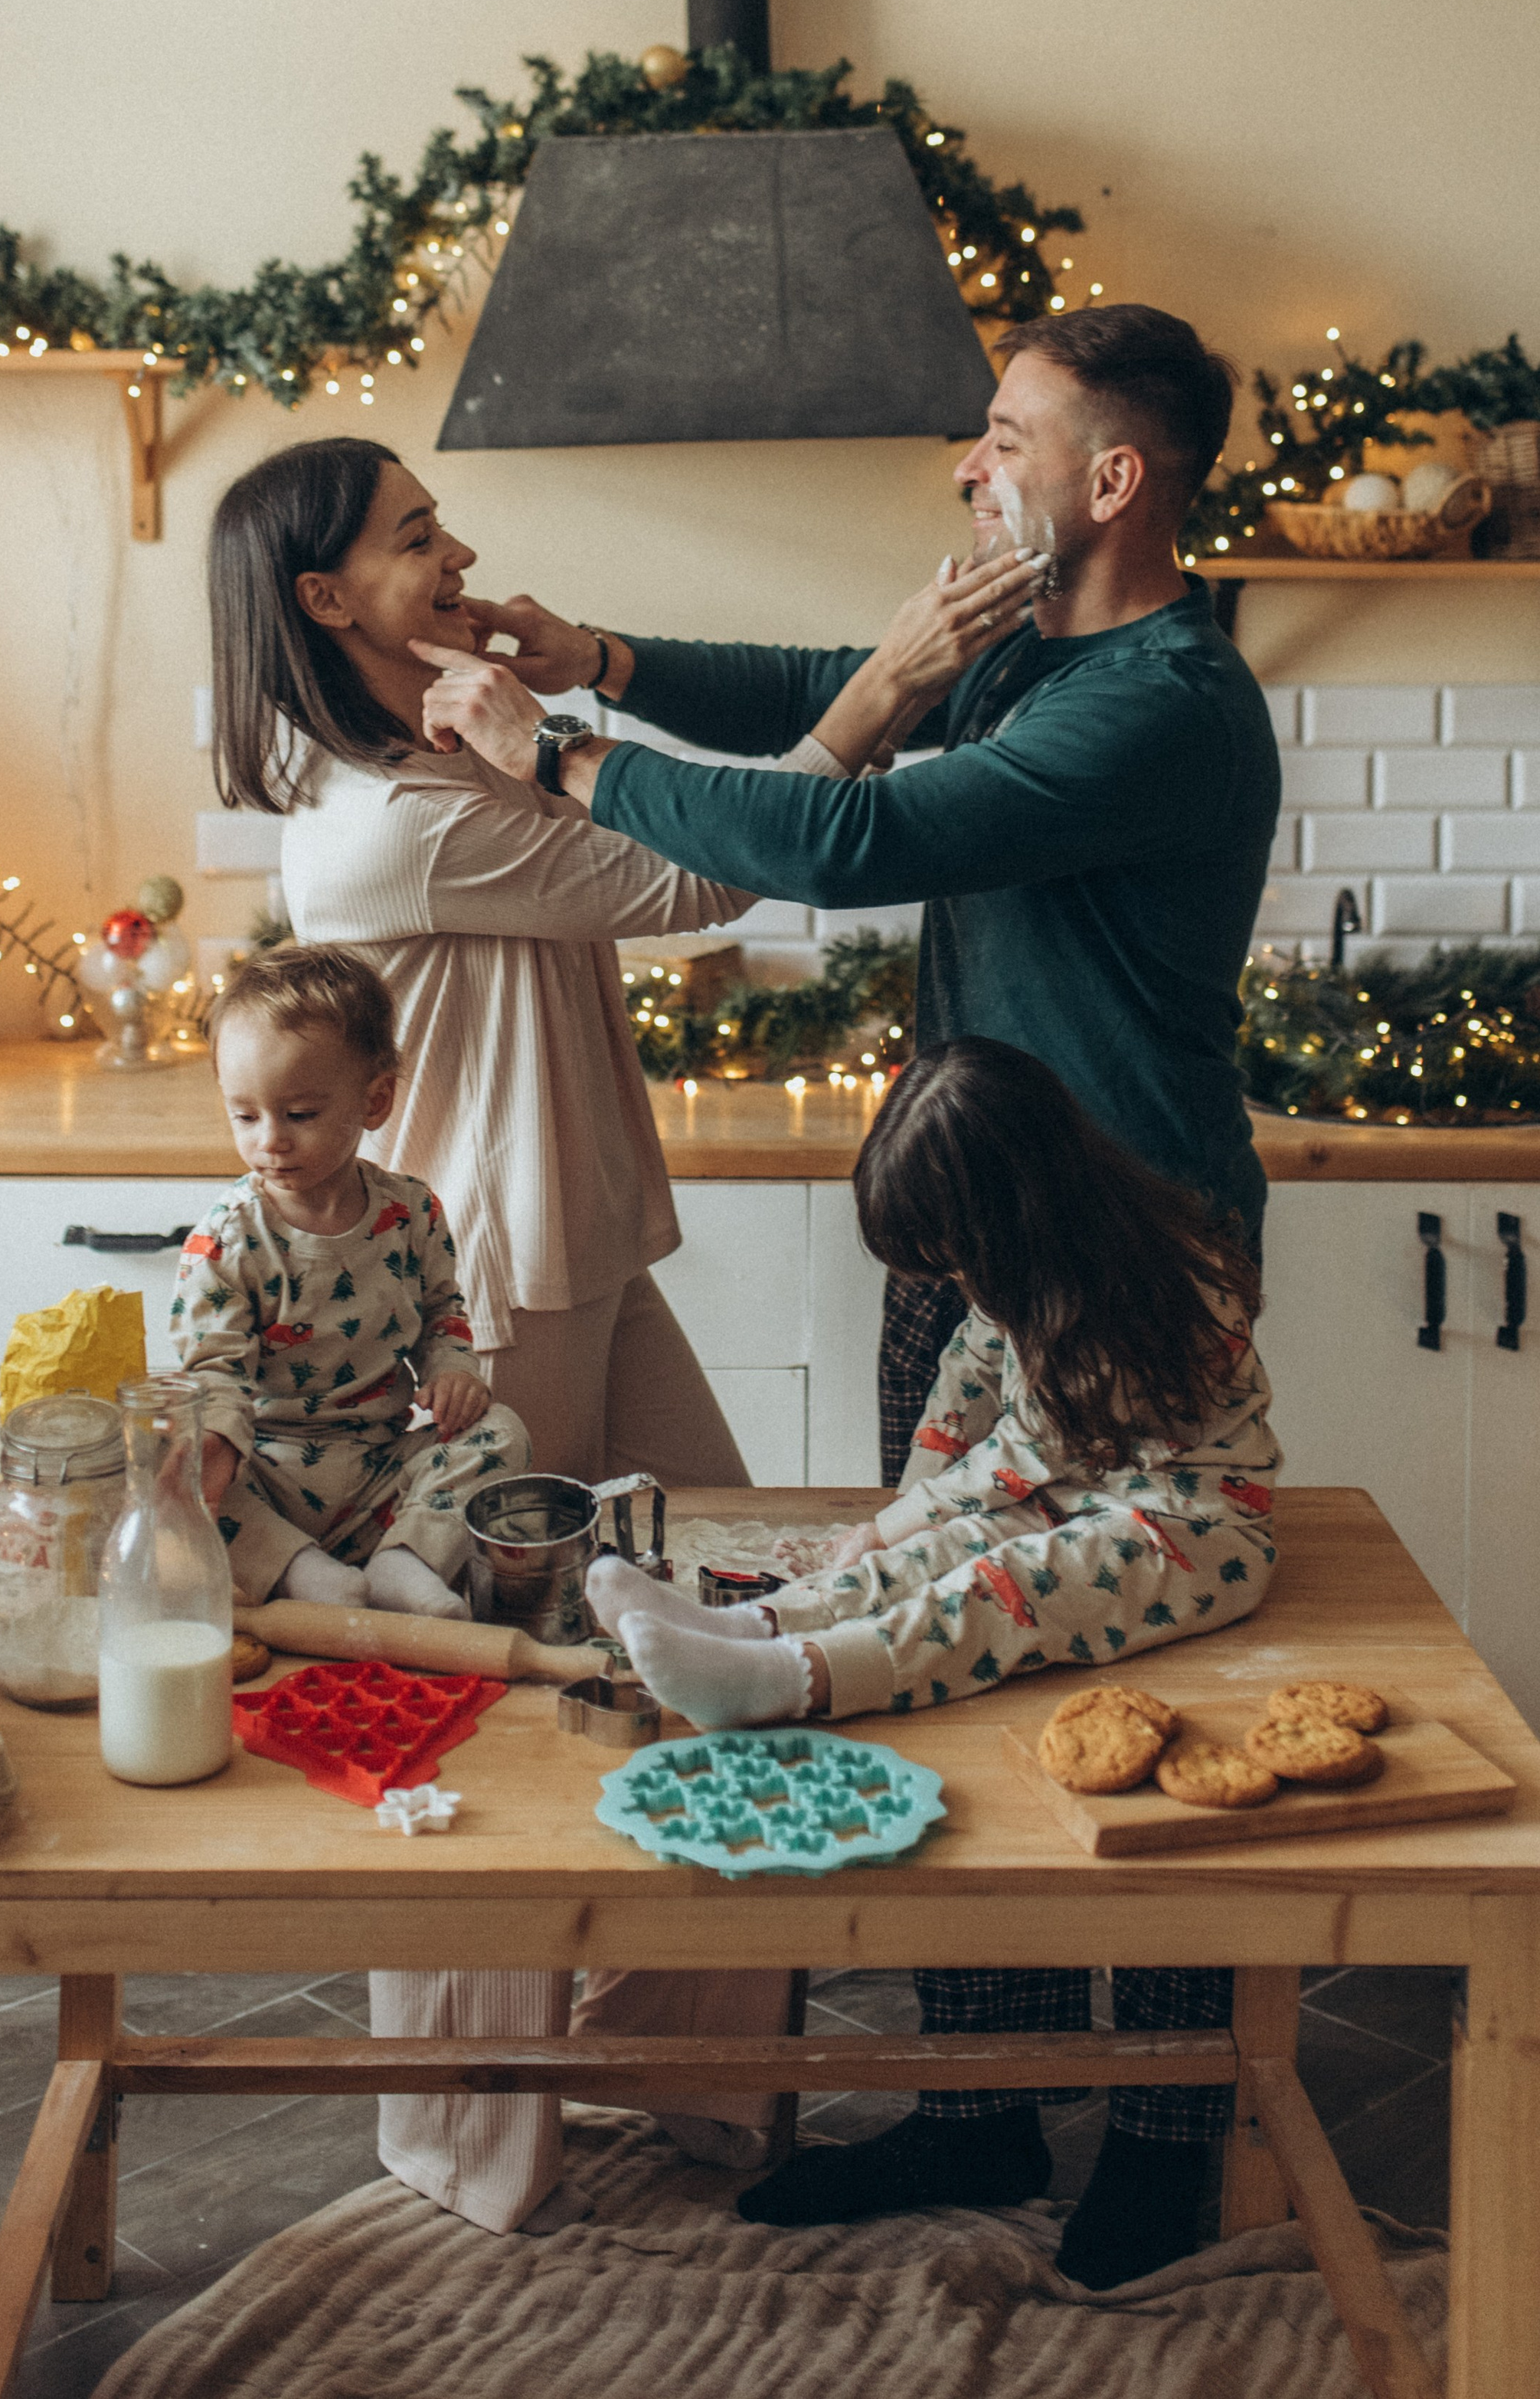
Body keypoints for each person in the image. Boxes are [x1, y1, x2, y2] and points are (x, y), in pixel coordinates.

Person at [205, 435, 796, 2237]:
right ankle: (459, 2140)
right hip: (489, 1292)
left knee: (711, 1621)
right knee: (464, 1702)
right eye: (412, 537)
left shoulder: (431, 758)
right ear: (325, 599)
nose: (454, 551)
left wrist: (555, 697)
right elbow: (710, 879)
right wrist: (896, 685)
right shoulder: (399, 811)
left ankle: (671, 2062)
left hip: (581, 1255)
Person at [413, 301, 1280, 1472]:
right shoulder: (1031, 639)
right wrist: (603, 659)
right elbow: (826, 684)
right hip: (979, 1205)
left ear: (1115, 479)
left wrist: (561, 752)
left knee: (1091, 1586)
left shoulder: (1162, 701)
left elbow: (850, 840)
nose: (971, 469)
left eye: (1008, 439)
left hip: (1125, 1227)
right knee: (935, 1558)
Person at [590, 1036, 1281, 2289]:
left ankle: (787, 1680)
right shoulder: (1007, 1292)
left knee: (989, 1590)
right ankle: (756, 1635)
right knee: (930, 1553)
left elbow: (1011, 1482)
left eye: (960, 1260)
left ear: (1016, 1224)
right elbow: (952, 1453)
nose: (955, 1285)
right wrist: (853, 1559)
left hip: (1184, 1529)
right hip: (1067, 1492)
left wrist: (917, 1533)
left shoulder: (1168, 1270)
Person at [172, 944, 529, 1621]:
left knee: (505, 1432)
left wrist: (456, 1368)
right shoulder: (226, 1237)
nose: (269, 1140)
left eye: (298, 1114)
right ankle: (303, 1572)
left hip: (380, 1471)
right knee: (171, 1475)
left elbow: (443, 1311)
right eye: (244, 1116)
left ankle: (407, 1560)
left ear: (375, 1099)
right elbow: (212, 1369)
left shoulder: (411, 1211)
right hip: (265, 1476)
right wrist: (212, 1448)